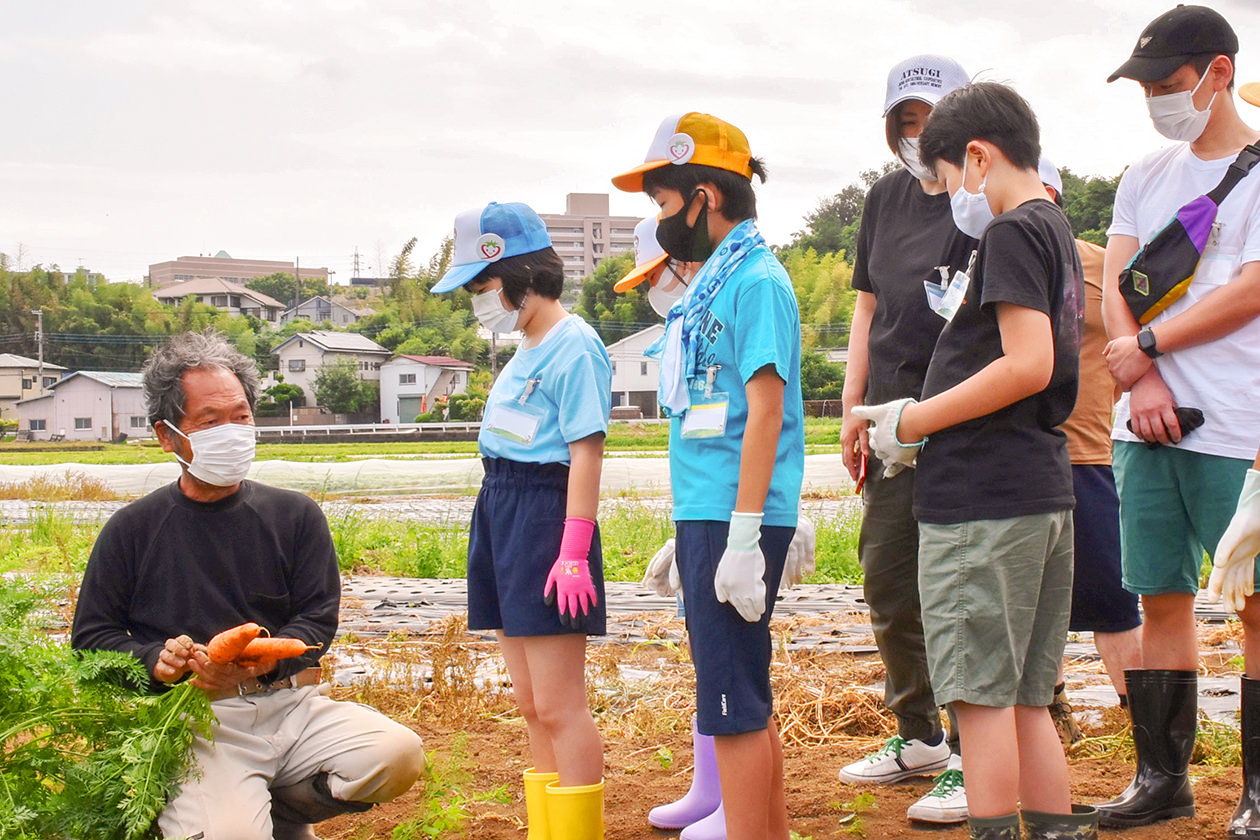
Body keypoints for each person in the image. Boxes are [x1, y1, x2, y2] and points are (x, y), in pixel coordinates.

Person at [856, 82, 1095, 840]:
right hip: (1037, 487)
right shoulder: (1054, 226)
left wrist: (912, 419)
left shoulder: (1011, 232)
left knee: (981, 701)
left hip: (983, 497)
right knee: (1025, 698)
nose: (951, 196)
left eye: (950, 176)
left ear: (980, 158)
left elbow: (1027, 363)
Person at [71, 330, 424, 840]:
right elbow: (91, 640)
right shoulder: (132, 530)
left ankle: (277, 811)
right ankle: (222, 810)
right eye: (210, 422)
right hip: (197, 722)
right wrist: (156, 662)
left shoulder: (294, 514)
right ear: (167, 436)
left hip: (291, 705)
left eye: (240, 416)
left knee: (395, 755)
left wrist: (267, 659)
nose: (232, 431)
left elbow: (317, 619)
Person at [613, 112, 805, 840]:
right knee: (739, 697)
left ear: (704, 196)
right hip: (713, 511)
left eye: (664, 204)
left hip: (735, 517)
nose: (661, 221)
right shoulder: (713, 286)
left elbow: (765, 413)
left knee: (731, 704)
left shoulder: (755, 282)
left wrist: (747, 535)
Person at [1096, 5, 1260, 833]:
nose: (1158, 99)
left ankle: (1259, 793)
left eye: (1168, 84)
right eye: (1149, 88)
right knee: (1159, 596)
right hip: (1145, 424)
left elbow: (1252, 289)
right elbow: (1114, 282)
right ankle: (1163, 777)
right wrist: (1143, 372)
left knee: (1257, 602)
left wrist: (1149, 341)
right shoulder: (1144, 175)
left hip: (1239, 424)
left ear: (1218, 72)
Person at [429, 201, 612, 840]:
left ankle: (578, 834)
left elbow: (586, 451)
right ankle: (548, 829)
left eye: (480, 286)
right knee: (532, 704)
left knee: (561, 705)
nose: (478, 301)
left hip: (545, 517)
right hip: (502, 510)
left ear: (517, 272)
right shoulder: (526, 343)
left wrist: (573, 550)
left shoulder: (575, 343)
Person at [836, 54, 975, 826]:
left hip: (956, 418)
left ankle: (968, 753)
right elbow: (866, 309)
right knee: (888, 579)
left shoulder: (981, 200)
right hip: (887, 423)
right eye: (906, 123)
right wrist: (852, 410)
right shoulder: (885, 198)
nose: (918, 136)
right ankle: (917, 735)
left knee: (956, 592)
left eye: (931, 120)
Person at [1037, 158, 1142, 741]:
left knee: (1112, 597)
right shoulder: (994, 263)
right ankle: (1055, 714)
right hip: (1024, 457)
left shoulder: (1102, 263)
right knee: (1036, 606)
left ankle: (1146, 722)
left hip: (1088, 455)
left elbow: (1144, 338)